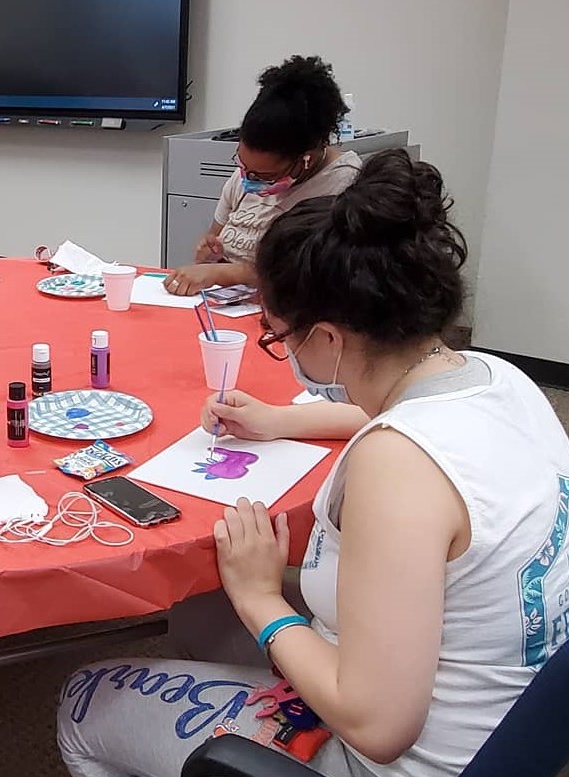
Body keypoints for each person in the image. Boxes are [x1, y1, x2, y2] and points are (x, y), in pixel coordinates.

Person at [57, 150, 569, 777]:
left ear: (326, 338)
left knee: (84, 698)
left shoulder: (397, 469)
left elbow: (378, 726)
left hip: (395, 754)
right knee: (197, 603)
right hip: (509, 723)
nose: (280, 350)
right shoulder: (502, 379)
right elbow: (393, 413)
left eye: (277, 335)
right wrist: (280, 420)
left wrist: (262, 602)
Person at [164, 55, 361, 296]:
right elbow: (215, 236)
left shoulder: (342, 186)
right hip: (225, 305)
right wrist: (209, 251)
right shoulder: (247, 174)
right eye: (243, 165)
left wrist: (224, 274)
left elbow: (312, 276)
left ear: (306, 159)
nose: (248, 180)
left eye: (264, 175)